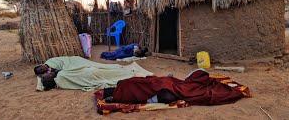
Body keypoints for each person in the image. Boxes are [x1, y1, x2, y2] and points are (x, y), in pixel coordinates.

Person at [102, 69, 250, 105]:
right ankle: (116, 93)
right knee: (139, 82)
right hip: (168, 84)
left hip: (169, 88)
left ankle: (116, 95)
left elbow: (191, 87)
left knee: (136, 85)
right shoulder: (187, 81)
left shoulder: (196, 83)